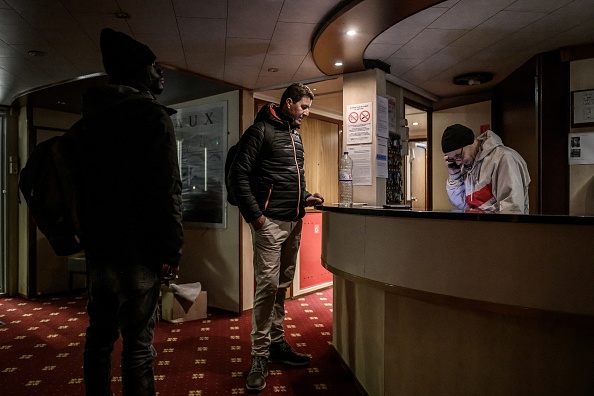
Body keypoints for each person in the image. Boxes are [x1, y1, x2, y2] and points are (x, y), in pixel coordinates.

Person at [78, 28, 184, 396]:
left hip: (98, 250)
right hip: (138, 251)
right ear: (138, 72)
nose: (161, 74)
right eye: (154, 66)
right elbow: (165, 190)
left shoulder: (89, 120)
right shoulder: (152, 117)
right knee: (138, 346)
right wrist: (171, 250)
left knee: (99, 337)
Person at [228, 83, 324, 392]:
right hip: (269, 224)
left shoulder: (294, 134)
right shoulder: (260, 131)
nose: (306, 114)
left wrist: (305, 197)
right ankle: (259, 356)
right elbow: (238, 177)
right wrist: (256, 218)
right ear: (288, 102)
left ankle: (276, 343)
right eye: (303, 107)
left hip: (294, 221)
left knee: (282, 286)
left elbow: (285, 178)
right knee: (267, 288)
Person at [441, 123, 530, 214]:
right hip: (480, 227)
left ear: (471, 142)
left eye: (459, 155)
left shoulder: (504, 159)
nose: (458, 162)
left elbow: (512, 209)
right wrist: (454, 175)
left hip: (496, 227)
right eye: (453, 159)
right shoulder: (469, 165)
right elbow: (461, 203)